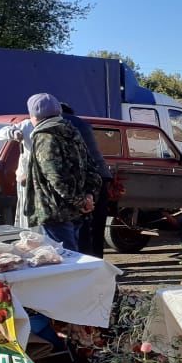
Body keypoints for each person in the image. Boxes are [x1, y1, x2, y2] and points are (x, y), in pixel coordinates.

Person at [23, 93, 102, 251]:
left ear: (33, 116)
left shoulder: (45, 137)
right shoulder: (72, 131)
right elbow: (91, 167)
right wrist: (88, 197)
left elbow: (56, 177)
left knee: (65, 260)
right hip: (76, 210)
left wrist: (81, 200)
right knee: (75, 255)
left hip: (55, 211)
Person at [61, 102, 113, 258]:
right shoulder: (83, 123)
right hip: (102, 176)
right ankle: (97, 261)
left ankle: (85, 263)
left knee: (83, 226)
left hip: (85, 178)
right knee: (97, 226)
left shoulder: (61, 123)